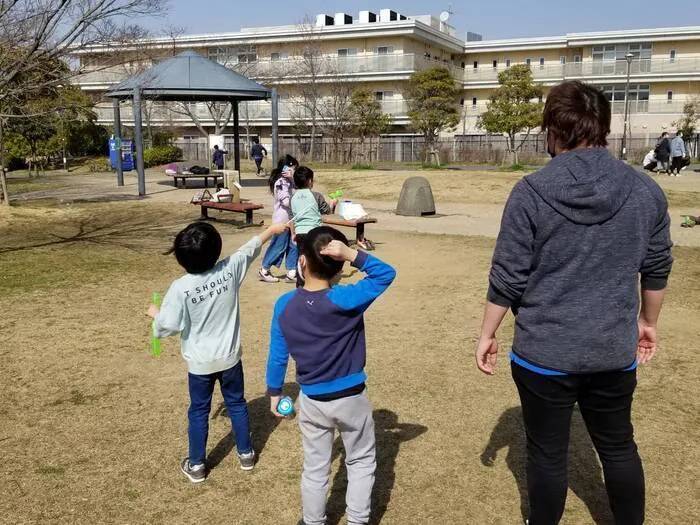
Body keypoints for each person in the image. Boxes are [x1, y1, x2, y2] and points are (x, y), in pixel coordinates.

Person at [475, 80, 673, 525]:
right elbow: (657, 266)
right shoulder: (645, 191)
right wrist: (648, 321)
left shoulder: (530, 191)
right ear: (601, 127)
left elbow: (508, 274)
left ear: (553, 129)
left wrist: (487, 334)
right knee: (619, 445)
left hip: (545, 352)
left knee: (547, 453)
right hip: (611, 349)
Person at [265, 226, 396, 525]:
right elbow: (386, 274)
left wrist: (274, 392)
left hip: (313, 399)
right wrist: (352, 254)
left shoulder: (284, 305)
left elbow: (277, 354)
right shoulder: (347, 298)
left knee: (315, 467)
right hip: (352, 398)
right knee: (361, 460)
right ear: (338, 267)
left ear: (301, 262)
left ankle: (313, 521)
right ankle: (358, 520)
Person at [148, 220, 289, 483]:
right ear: (216, 250)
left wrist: (156, 315)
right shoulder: (230, 269)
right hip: (230, 359)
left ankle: (197, 464)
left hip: (201, 364)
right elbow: (251, 247)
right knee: (237, 404)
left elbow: (169, 324)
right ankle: (246, 454)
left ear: (181, 258)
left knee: (199, 410)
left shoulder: (181, 288)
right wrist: (273, 230)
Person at [259, 154, 300, 284]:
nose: (295, 171)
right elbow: (287, 202)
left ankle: (291, 272)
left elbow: (299, 190)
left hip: (291, 220)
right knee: (278, 246)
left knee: (293, 245)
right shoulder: (280, 183)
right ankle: (264, 269)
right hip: (281, 221)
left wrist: (294, 179)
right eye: (293, 168)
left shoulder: (291, 182)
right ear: (286, 169)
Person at [291, 166, 324, 287]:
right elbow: (327, 210)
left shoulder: (292, 198)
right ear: (310, 181)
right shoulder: (316, 196)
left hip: (300, 232)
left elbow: (292, 217)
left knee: (301, 258)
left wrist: (293, 233)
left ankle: (300, 283)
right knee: (316, 258)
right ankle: (316, 283)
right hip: (314, 232)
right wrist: (333, 203)